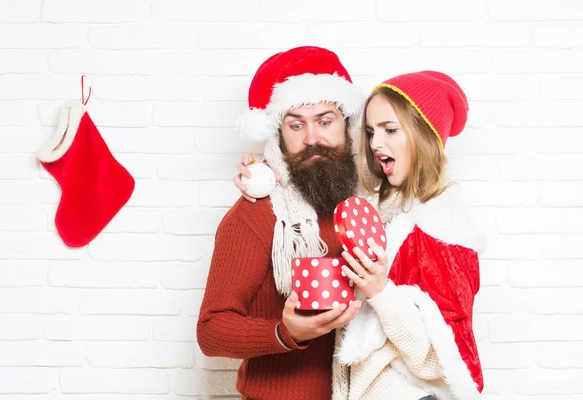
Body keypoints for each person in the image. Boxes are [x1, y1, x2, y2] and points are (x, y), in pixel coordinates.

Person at [236, 71, 485, 399]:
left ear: (426, 135)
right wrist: (265, 173)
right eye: (370, 131)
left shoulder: (443, 227)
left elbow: (440, 361)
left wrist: (379, 291)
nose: (375, 143)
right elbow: (323, 175)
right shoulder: (386, 203)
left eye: (390, 130)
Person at [197, 46, 367, 400]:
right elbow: (211, 332)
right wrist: (285, 331)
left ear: (347, 125)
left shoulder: (369, 207)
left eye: (325, 121)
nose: (311, 139)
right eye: (295, 124)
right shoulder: (255, 214)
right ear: (277, 132)